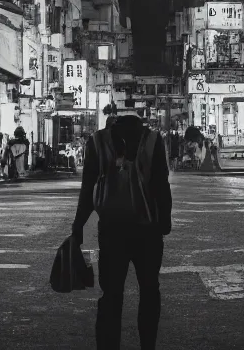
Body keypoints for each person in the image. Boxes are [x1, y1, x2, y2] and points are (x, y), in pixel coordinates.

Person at [72, 96, 172, 350]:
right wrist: (165, 221)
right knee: (149, 290)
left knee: (111, 295)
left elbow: (87, 189)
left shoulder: (97, 142)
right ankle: (147, 345)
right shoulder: (153, 140)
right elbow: (161, 185)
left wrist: (78, 225)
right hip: (147, 230)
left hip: (112, 229)